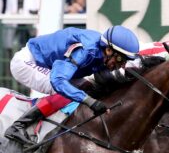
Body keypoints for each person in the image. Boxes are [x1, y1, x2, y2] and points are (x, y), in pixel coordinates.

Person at [4, 25, 139, 145]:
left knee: (89, 87)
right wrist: (90, 101)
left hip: (52, 67)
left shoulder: (103, 52)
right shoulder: (85, 51)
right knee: (66, 92)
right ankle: (18, 126)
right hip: (28, 62)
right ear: (109, 50)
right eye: (121, 59)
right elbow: (58, 81)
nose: (122, 65)